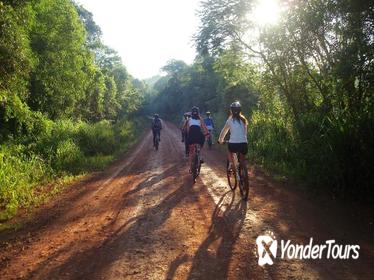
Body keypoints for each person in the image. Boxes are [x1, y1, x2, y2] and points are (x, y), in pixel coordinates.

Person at [218, 101, 248, 173]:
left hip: (233, 144)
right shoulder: (244, 120)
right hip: (244, 143)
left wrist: (220, 140)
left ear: (231, 110)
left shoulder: (230, 120)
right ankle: (243, 172)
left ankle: (231, 164)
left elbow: (224, 131)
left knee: (230, 151)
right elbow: (245, 132)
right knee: (242, 159)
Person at [183, 106, 209, 173]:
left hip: (191, 135)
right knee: (201, 145)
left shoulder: (189, 119)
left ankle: (190, 168)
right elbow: (204, 127)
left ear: (192, 113)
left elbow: (188, 129)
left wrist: (189, 135)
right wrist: (207, 133)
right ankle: (201, 157)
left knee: (191, 152)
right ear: (198, 112)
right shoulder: (200, 119)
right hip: (199, 136)